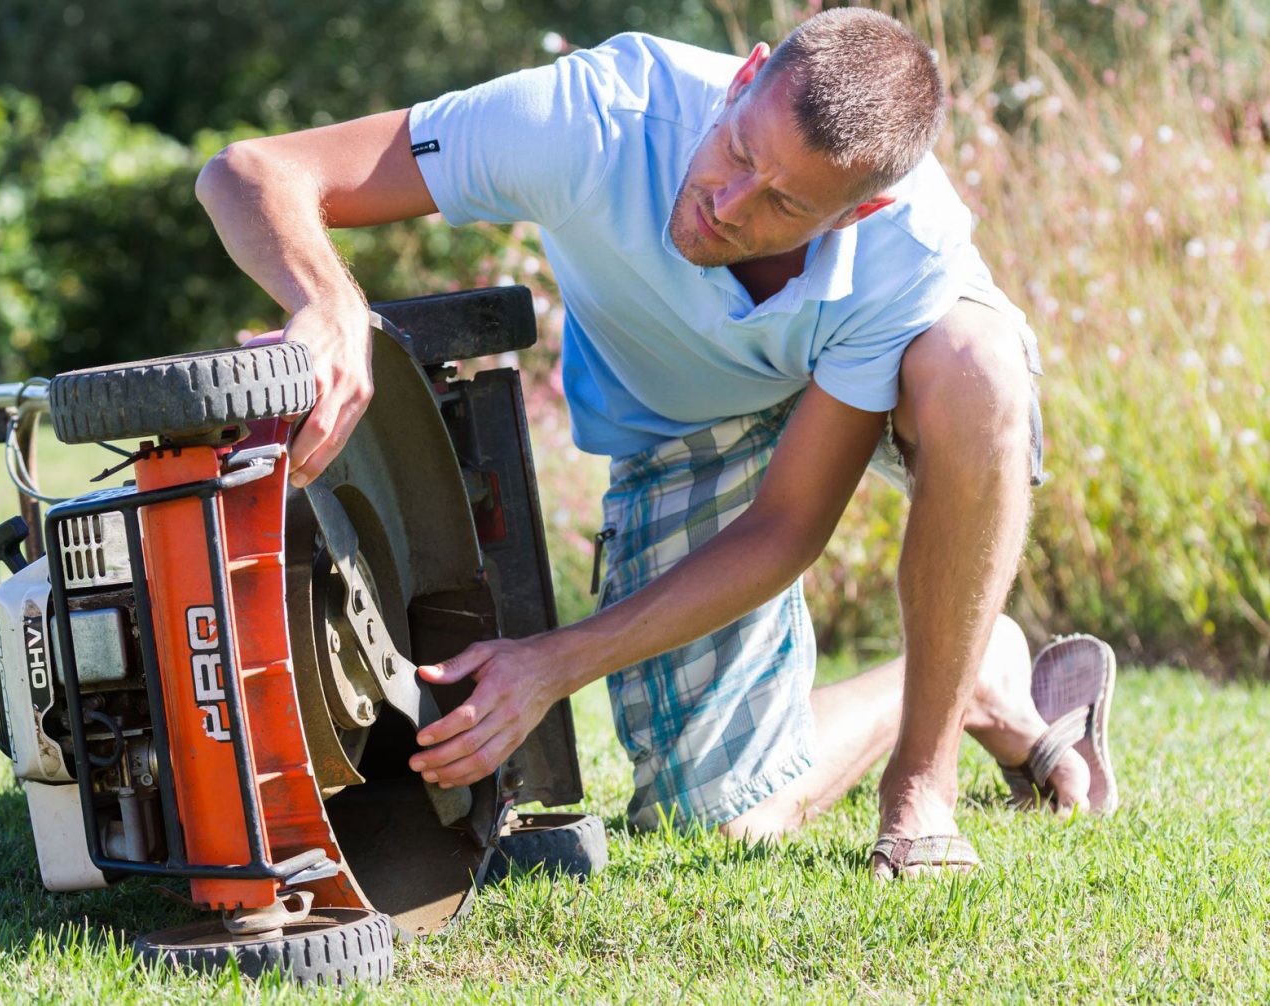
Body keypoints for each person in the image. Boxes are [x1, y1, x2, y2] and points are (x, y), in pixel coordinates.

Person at [194, 7, 1118, 878]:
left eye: (786, 204)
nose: (729, 200)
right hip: (684, 423)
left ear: (854, 215)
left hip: (869, 385)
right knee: (715, 816)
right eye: (739, 150)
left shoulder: (906, 243)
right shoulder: (589, 117)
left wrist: (556, 664)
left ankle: (922, 784)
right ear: (744, 79)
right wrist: (330, 301)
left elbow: (789, 522)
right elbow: (250, 172)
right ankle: (984, 669)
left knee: (976, 364)